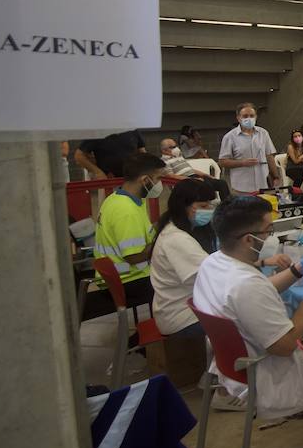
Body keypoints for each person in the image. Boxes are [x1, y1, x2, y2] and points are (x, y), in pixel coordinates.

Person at [191, 196, 303, 420]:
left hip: (237, 360)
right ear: (249, 239)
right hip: (271, 371)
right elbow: (286, 346)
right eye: (268, 230)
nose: (271, 237)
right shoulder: (246, 286)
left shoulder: (214, 262)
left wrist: (300, 268)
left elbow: (260, 291)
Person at [89, 152, 167, 317]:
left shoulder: (117, 198)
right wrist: (161, 245)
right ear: (145, 180)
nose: (160, 184)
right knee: (179, 283)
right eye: (159, 178)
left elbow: (142, 233)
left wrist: (163, 224)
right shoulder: (126, 211)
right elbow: (133, 257)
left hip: (119, 276)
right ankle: (167, 332)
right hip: (129, 279)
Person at [148, 178, 219, 340]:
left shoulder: (182, 229)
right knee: (248, 320)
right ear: (183, 206)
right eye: (202, 206)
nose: (208, 210)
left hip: (187, 308)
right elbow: (214, 278)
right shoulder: (177, 239)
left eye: (209, 205)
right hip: (183, 319)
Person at [218, 102, 278, 195]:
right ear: (238, 118)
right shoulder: (229, 137)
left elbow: (269, 155)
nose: (249, 118)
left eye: (251, 115)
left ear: (256, 117)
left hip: (263, 184)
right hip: (242, 186)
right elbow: (222, 162)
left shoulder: (263, 133)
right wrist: (242, 162)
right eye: (245, 116)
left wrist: (275, 176)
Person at [76, 129, 146, 179]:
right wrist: (98, 172)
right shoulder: (97, 131)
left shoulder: (132, 129)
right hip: (109, 181)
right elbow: (79, 155)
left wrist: (146, 170)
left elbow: (142, 153)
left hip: (132, 178)